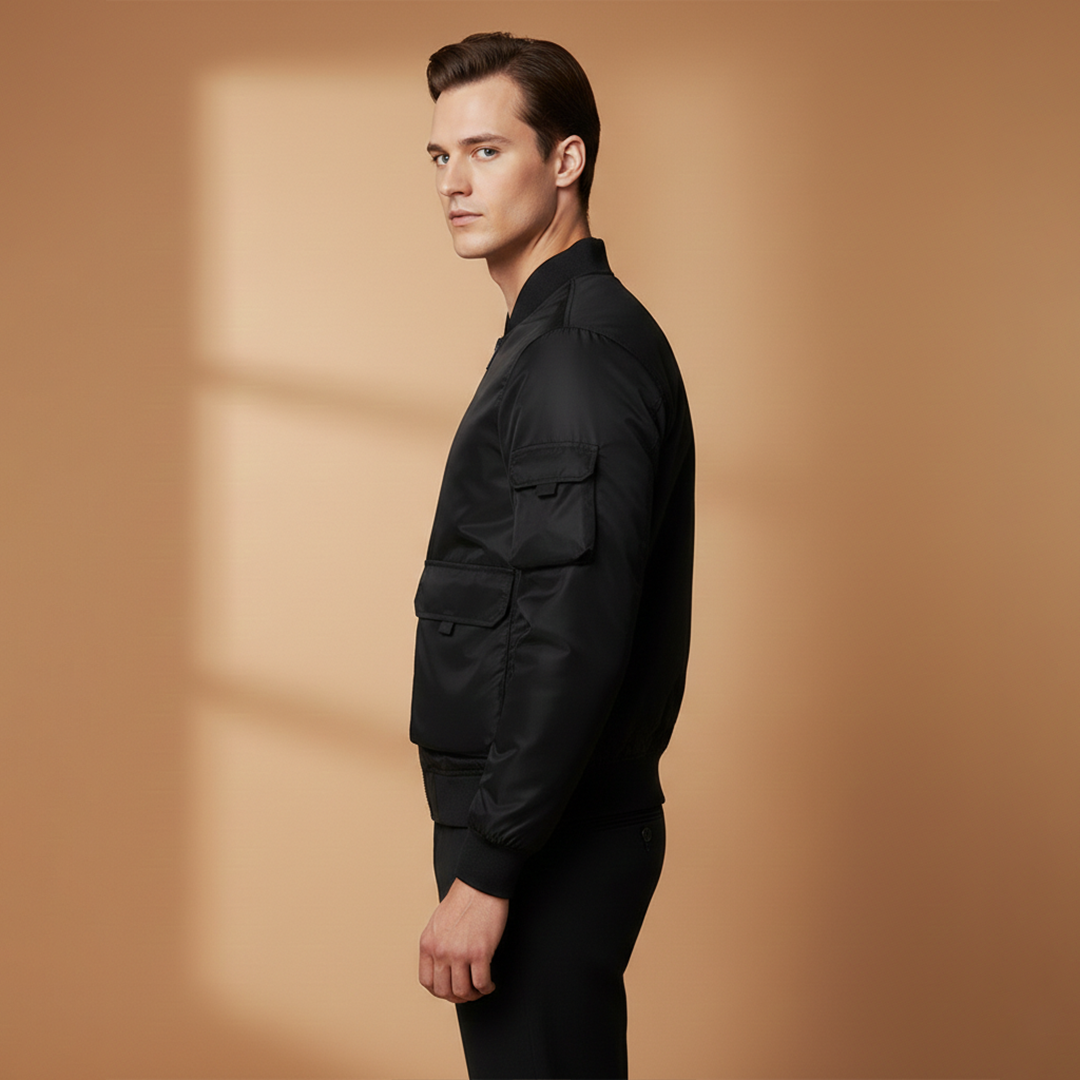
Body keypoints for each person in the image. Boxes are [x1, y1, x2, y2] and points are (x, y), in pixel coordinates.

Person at [411, 31, 695, 1080]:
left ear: (566, 160)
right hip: (538, 825)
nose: (454, 183)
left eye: (486, 151)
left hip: (544, 839)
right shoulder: (551, 338)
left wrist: (490, 868)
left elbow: (571, 629)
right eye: (441, 156)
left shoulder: (572, 352)